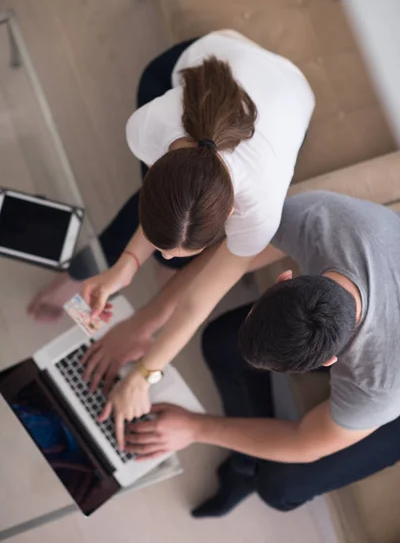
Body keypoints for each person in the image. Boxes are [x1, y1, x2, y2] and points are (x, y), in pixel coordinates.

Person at [28, 30, 315, 446]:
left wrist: (146, 373)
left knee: (177, 265)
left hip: (284, 88)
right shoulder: (146, 127)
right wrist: (124, 267)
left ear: (231, 214)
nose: (160, 251)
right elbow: (169, 201)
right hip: (198, 70)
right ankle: (98, 272)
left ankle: (103, 272)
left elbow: (201, 299)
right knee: (172, 249)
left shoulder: (261, 207)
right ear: (159, 167)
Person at [121, 191, 400, 517]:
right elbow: (226, 263)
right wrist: (141, 325)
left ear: (330, 361)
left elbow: (304, 441)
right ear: (283, 280)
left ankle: (249, 472)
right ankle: (245, 462)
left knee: (279, 486)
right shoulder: (322, 219)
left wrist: (195, 428)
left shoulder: (381, 385)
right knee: (220, 343)